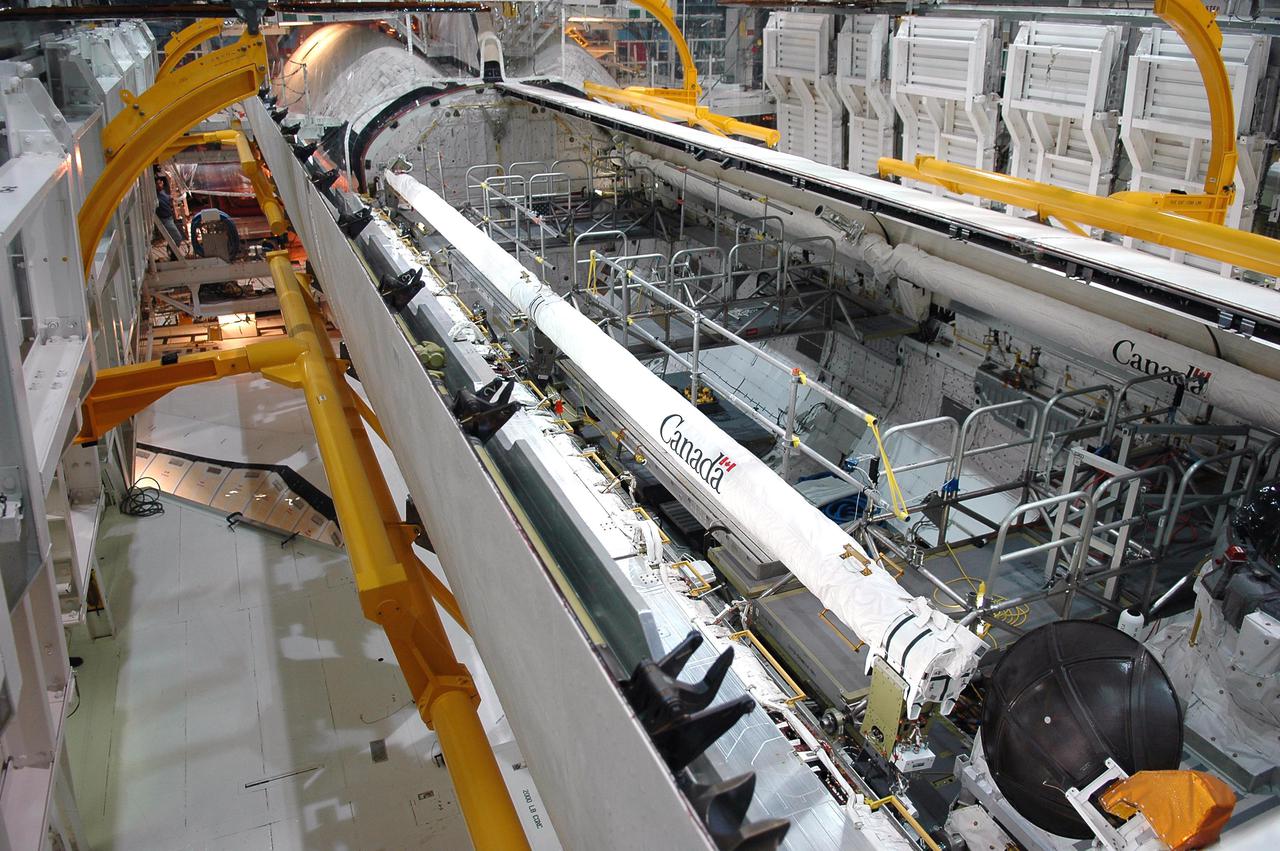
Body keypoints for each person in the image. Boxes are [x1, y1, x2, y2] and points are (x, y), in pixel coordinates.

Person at [154, 175, 184, 256]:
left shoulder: (162, 192)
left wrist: (172, 198)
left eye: (160, 183)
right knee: (178, 238)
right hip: (165, 220)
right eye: (157, 184)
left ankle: (171, 251)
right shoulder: (155, 196)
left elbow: (167, 198)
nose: (160, 185)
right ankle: (173, 254)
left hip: (169, 218)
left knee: (175, 238)